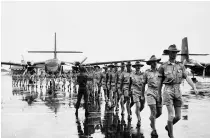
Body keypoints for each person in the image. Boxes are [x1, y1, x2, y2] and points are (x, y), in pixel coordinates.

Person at [158, 44, 198, 138]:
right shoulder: (163, 66)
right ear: (169, 53)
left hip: (178, 90)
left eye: (176, 52)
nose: (174, 54)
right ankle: (171, 136)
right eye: (172, 52)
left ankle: (168, 127)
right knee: (171, 115)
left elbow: (187, 77)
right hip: (168, 90)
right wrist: (159, 95)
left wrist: (194, 87)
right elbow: (159, 82)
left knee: (178, 117)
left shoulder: (180, 65)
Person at [143, 55, 162, 136]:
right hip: (150, 92)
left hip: (158, 92)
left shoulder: (160, 72)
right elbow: (143, 84)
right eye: (153, 62)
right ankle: (154, 129)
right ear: (150, 63)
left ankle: (152, 120)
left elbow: (163, 82)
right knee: (153, 111)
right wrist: (142, 95)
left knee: (159, 113)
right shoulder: (147, 72)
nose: (155, 63)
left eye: (155, 61)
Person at [129, 61, 145, 127]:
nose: (138, 67)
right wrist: (130, 90)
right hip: (134, 91)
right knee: (138, 106)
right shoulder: (132, 74)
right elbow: (130, 83)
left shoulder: (143, 74)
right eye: (136, 66)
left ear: (140, 67)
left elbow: (146, 83)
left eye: (139, 66)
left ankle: (136, 112)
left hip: (142, 92)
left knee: (142, 106)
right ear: (135, 67)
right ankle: (139, 120)